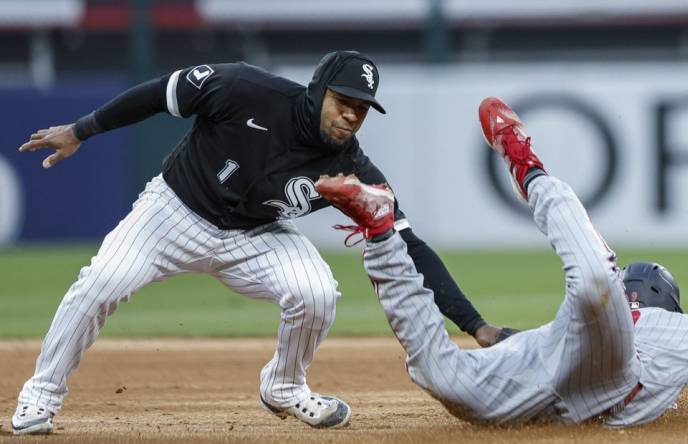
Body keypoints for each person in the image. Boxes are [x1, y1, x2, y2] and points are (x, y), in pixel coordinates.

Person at [11, 51, 513, 435]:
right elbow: (158, 93)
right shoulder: (243, 88)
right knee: (101, 283)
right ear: (317, 92)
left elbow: (409, 246)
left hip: (255, 236)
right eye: (343, 102)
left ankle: (285, 386)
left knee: (317, 292)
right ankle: (40, 396)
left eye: (362, 110)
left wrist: (477, 325)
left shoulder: (353, 169)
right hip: (172, 212)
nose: (351, 117)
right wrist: (81, 130)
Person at [314, 97, 688, 427]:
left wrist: (499, 335)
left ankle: (379, 230)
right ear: (665, 300)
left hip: (534, 386)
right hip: (595, 374)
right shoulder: (685, 332)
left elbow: (548, 342)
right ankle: (524, 161)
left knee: (441, 374)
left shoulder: (664, 332)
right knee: (594, 281)